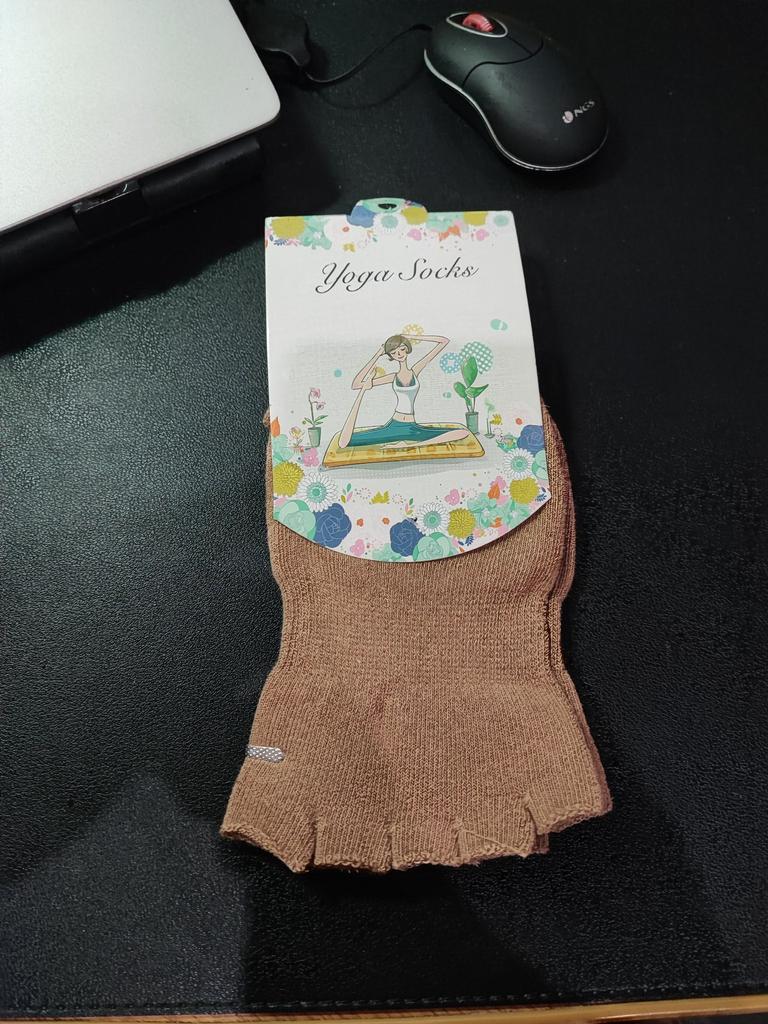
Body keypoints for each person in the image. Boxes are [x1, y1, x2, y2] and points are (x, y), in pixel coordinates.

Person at [338, 334, 470, 450]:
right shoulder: (392, 377)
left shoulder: (415, 371)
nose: (399, 354)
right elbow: (356, 385)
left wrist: (411, 337)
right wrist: (378, 354)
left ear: (407, 349)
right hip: (394, 426)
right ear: (391, 356)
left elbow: (444, 341)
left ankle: (408, 445)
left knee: (462, 432)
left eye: (402, 349)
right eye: (394, 353)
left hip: (412, 428)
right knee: (346, 442)